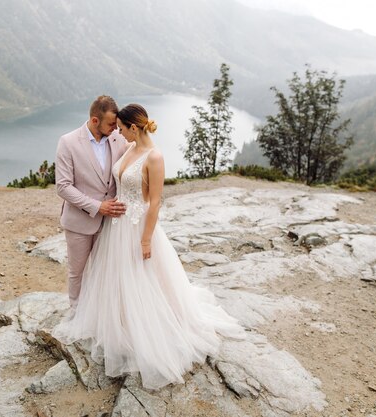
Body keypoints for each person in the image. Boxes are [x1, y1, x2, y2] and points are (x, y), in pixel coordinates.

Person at [53, 103, 245, 390]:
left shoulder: (154, 157)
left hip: (137, 226)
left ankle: (142, 330)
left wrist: (145, 239)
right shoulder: (127, 148)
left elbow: (155, 202)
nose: (116, 133)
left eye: (120, 128)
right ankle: (112, 321)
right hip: (115, 227)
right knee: (113, 277)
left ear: (132, 127)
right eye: (114, 128)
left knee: (141, 279)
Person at [55, 95, 128, 308]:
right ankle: (76, 314)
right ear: (95, 121)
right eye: (111, 124)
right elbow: (63, 186)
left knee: (103, 271)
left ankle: (97, 314)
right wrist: (97, 207)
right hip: (79, 221)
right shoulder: (68, 142)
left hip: (111, 224)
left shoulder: (118, 139)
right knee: (77, 272)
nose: (116, 128)